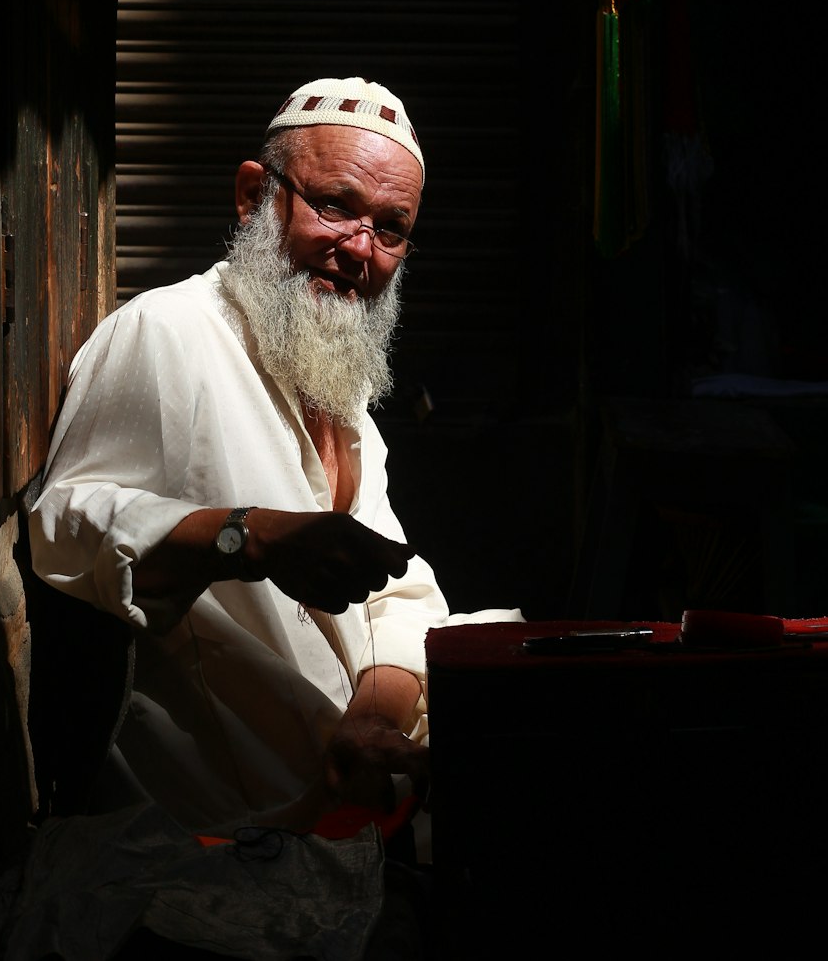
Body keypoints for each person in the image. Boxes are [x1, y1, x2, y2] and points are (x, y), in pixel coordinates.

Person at [29, 75, 521, 851]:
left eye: (390, 228)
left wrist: (369, 723)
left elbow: (397, 592)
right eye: (335, 205)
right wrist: (249, 539)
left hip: (344, 801)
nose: (360, 248)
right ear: (254, 194)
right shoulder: (168, 333)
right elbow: (65, 529)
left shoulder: (336, 380)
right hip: (219, 822)